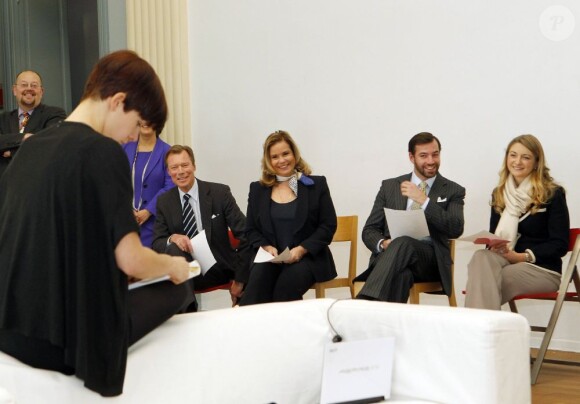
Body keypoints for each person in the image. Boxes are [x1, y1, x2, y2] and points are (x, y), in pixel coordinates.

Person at [0, 50, 192, 397]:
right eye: (137, 125)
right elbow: (131, 259)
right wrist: (173, 266)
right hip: (60, 343)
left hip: (9, 329)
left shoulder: (30, 149)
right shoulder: (102, 152)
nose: (134, 138)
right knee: (178, 286)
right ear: (118, 101)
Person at [355, 132, 465, 303]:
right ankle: (385, 325)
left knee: (403, 241)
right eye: (423, 155)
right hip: (393, 258)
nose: (430, 161)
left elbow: (456, 228)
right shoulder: (390, 186)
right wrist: (384, 244)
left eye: (435, 154)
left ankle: (364, 301)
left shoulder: (453, 190)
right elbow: (370, 230)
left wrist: (424, 200)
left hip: (429, 261)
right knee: (401, 275)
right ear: (411, 157)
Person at [465, 135, 570, 310]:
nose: (517, 161)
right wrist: (496, 247)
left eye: (525, 157)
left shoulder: (552, 193)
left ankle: (479, 332)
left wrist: (522, 256)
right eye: (513, 155)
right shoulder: (499, 194)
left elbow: (559, 244)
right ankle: (488, 331)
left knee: (483, 281)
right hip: (506, 261)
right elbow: (492, 239)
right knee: (481, 258)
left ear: (537, 162)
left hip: (541, 269)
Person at [239, 130, 337, 306]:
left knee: (284, 288)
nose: (282, 160)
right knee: (256, 284)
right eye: (275, 156)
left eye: (286, 153)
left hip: (307, 258)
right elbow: (251, 229)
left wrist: (301, 249)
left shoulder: (316, 184)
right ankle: (249, 329)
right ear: (268, 161)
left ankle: (288, 332)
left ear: (294, 154)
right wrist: (266, 246)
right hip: (272, 258)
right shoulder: (257, 189)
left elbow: (327, 226)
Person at [152, 145, 253, 307]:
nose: (180, 171)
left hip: (219, 268)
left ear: (194, 166)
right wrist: (173, 238)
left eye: (185, 165)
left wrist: (240, 279)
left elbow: (246, 234)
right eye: (174, 167)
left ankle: (187, 313)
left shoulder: (219, 193)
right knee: (173, 248)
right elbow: (157, 243)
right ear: (169, 172)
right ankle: (188, 311)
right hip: (188, 271)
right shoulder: (164, 201)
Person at [0, 70, 67, 178]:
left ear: (41, 91)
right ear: (14, 90)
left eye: (34, 85)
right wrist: (24, 137)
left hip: (37, 183)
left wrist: (12, 152)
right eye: (24, 85)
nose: (29, 88)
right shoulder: (3, 118)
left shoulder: (55, 114)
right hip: (5, 187)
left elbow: (51, 144)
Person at [122, 124, 173, 247]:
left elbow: (170, 185)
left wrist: (149, 210)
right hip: (125, 222)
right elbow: (113, 180)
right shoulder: (123, 148)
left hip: (155, 224)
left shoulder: (167, 151)